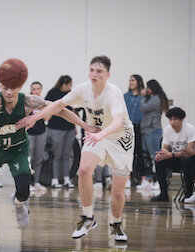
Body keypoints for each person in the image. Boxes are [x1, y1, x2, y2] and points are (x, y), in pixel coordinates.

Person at [17, 55, 133, 242]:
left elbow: (119, 121)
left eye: (99, 71)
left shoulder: (114, 93)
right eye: (92, 70)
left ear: (108, 75)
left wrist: (100, 135)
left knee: (118, 193)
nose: (94, 74)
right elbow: (58, 105)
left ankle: (116, 225)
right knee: (84, 169)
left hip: (121, 137)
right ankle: (88, 218)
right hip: (96, 132)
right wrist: (35, 118)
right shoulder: (82, 89)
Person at [0, 82, 95, 240]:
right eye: (5, 87)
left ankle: (18, 204)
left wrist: (85, 125)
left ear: (20, 86)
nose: (9, 92)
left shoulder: (29, 101)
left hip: (17, 149)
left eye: (13, 87)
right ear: (0, 85)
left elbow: (61, 110)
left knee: (24, 191)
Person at [150, 107, 195, 202]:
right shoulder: (167, 130)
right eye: (170, 119)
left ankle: (188, 193)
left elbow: (189, 151)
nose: (172, 122)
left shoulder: (190, 129)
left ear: (182, 119)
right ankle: (163, 194)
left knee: (186, 159)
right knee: (159, 161)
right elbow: (165, 149)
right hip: (177, 157)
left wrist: (170, 155)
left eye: (175, 119)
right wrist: (161, 154)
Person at [137, 79, 169, 190]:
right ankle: (149, 179)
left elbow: (143, 108)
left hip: (153, 131)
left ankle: (159, 181)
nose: (146, 90)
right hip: (146, 130)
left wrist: (142, 96)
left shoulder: (157, 99)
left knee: (154, 156)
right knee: (146, 156)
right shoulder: (152, 98)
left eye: (148, 88)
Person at [45, 75, 76, 188]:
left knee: (67, 155)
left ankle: (67, 179)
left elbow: (73, 110)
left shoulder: (71, 94)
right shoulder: (52, 93)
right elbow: (46, 108)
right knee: (57, 155)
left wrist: (75, 127)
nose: (71, 87)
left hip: (69, 128)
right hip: (56, 128)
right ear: (64, 84)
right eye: (70, 85)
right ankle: (55, 179)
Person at [124, 74, 145, 188]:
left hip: (140, 127)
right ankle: (127, 178)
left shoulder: (143, 96)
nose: (130, 82)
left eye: (133, 80)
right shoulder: (126, 96)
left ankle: (142, 178)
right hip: (127, 127)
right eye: (129, 80)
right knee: (127, 152)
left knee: (140, 153)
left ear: (139, 82)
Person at [27, 81, 48, 191]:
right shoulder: (27, 102)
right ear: (31, 90)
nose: (36, 91)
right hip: (30, 133)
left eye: (38, 88)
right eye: (34, 89)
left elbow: (47, 118)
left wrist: (42, 110)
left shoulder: (43, 103)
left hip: (41, 132)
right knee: (29, 158)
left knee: (38, 158)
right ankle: (28, 182)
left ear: (41, 90)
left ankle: (37, 182)